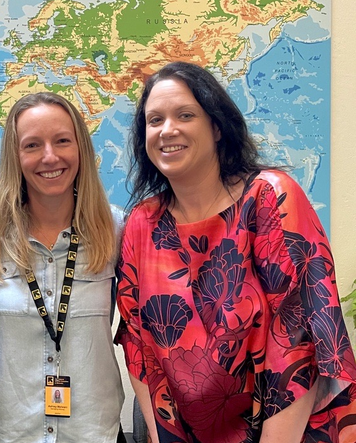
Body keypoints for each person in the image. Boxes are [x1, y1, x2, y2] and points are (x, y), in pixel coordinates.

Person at [116, 61, 356, 443]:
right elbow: (138, 345)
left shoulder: (269, 198)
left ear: (216, 127)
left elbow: (300, 341)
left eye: (185, 115)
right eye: (154, 120)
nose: (167, 130)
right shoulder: (141, 223)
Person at [0, 92, 125, 442]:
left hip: (93, 433)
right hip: (8, 434)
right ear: (15, 156)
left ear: (81, 149)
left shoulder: (118, 232)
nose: (50, 157)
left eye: (62, 141)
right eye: (32, 145)